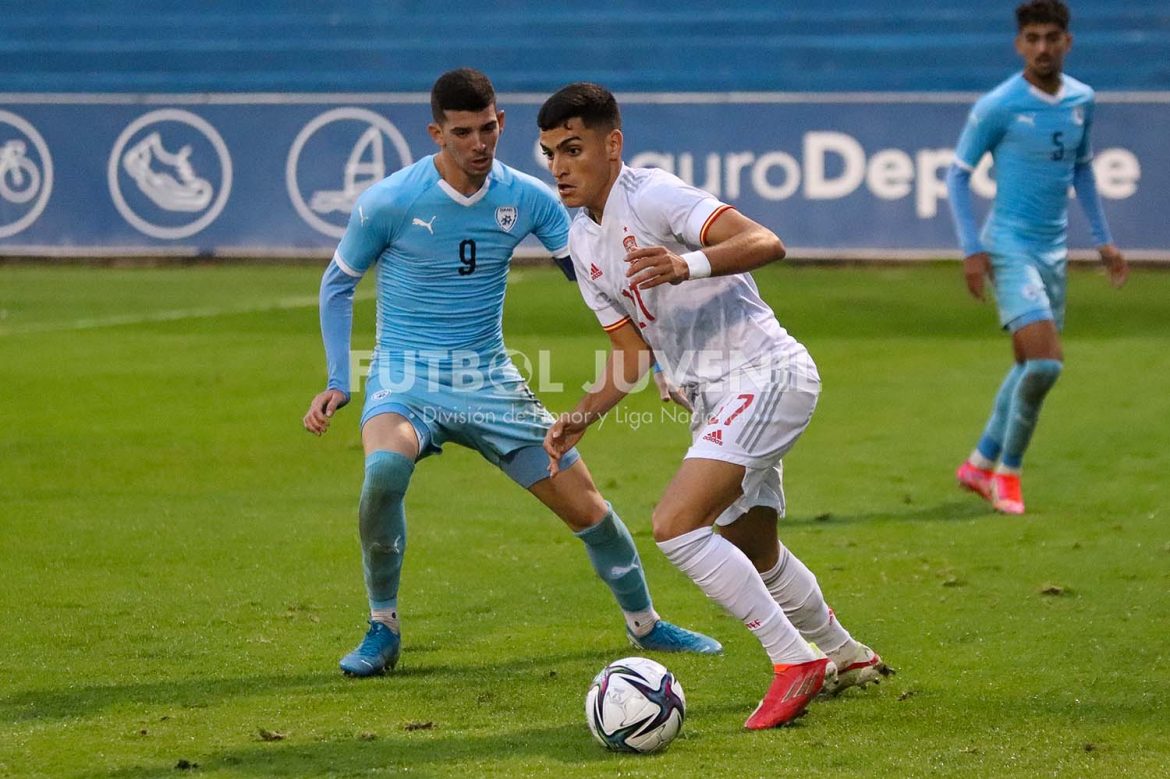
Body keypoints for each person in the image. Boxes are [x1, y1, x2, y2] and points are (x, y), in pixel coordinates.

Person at [303, 68, 720, 677]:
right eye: (464, 132)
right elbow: (337, 284)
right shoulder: (390, 200)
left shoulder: (528, 197)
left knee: (589, 510)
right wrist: (340, 379)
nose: (480, 143)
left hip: (490, 383)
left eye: (489, 128)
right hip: (405, 379)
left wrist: (656, 355)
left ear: (501, 123)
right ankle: (382, 626)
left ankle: (646, 624)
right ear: (436, 133)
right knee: (385, 470)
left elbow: (594, 278)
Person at [537, 82, 890, 731]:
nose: (560, 166)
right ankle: (847, 654)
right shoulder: (583, 246)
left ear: (612, 145)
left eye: (573, 148)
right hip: (716, 395)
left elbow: (765, 240)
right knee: (750, 543)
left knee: (675, 522)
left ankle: (793, 660)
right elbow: (632, 355)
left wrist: (685, 263)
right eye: (551, 152)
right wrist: (579, 416)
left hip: (766, 373)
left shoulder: (654, 196)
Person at [947, 0, 1127, 514]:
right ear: (1019, 44)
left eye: (1052, 37)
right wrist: (972, 249)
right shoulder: (999, 105)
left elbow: (1084, 170)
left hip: (1053, 250)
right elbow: (957, 174)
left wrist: (1104, 239)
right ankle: (1008, 473)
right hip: (1008, 246)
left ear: (1067, 42)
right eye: (1033, 39)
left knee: (1030, 364)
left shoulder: (1082, 100)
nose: (1042, 48)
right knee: (1047, 363)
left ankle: (979, 463)